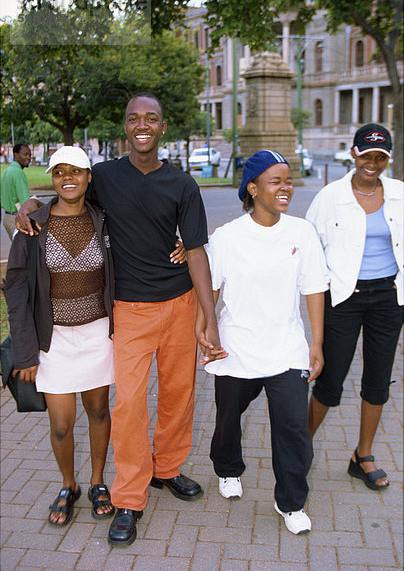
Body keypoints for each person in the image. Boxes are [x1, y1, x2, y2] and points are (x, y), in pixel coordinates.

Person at [17, 93, 223, 547]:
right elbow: (63, 192)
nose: (142, 125)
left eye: (151, 118)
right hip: (128, 311)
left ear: (162, 127)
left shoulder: (182, 184)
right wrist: (28, 205)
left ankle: (166, 469)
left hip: (180, 303)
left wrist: (209, 317)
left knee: (178, 396)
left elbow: (195, 251)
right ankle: (129, 496)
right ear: (125, 127)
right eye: (134, 119)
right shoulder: (105, 177)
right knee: (129, 405)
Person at [198, 150, 329, 535]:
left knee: (292, 428)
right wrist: (204, 331)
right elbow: (211, 289)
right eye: (276, 181)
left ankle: (291, 501)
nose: (285, 187)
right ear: (253, 188)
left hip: (286, 348)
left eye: (288, 180)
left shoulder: (301, 233)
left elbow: (314, 289)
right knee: (227, 420)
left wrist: (316, 343)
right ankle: (227, 468)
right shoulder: (227, 237)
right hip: (236, 348)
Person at [4, 146, 116, 526]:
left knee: (99, 410)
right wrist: (24, 354)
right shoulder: (34, 224)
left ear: (88, 176)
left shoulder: (103, 219)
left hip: (98, 333)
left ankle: (98, 481)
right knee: (61, 423)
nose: (68, 178)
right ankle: (69, 485)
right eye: (59, 172)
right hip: (52, 340)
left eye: (76, 171)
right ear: (52, 178)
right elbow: (16, 290)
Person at [306, 123, 403, 490]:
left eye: (380, 157)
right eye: (366, 155)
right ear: (354, 154)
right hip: (343, 297)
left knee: (378, 380)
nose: (372, 163)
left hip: (388, 298)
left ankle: (362, 456)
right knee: (330, 380)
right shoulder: (330, 196)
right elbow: (310, 245)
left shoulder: (398, 194)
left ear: (387, 160)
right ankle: (301, 447)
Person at [1, 143, 31, 240]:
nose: (28, 158)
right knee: (23, 253)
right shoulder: (18, 173)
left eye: (30, 155)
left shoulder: (6, 171)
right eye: (25, 154)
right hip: (17, 219)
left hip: (6, 218)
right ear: (15, 155)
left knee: (16, 251)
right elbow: (25, 202)